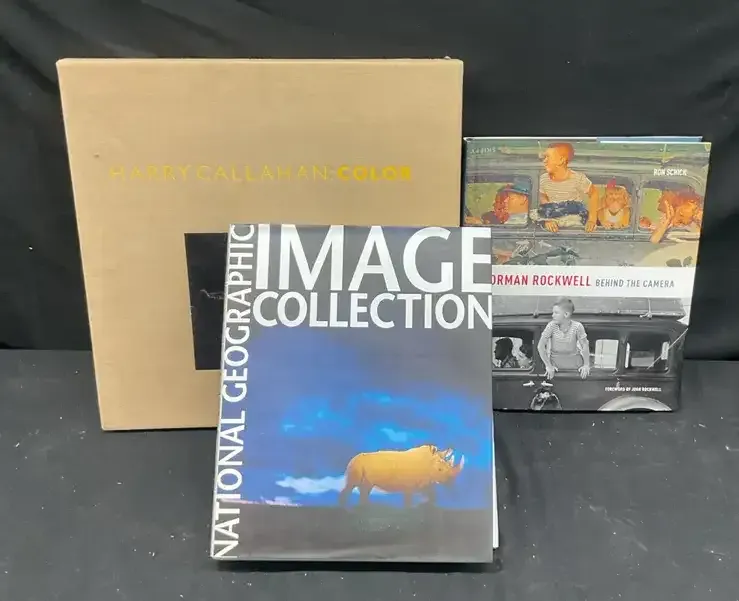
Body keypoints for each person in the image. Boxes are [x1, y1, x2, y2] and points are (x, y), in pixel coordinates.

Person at [538, 142, 600, 233]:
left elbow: (594, 193)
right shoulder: (543, 179)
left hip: (575, 225)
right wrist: (548, 219)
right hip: (554, 225)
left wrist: (592, 220)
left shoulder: (578, 178)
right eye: (544, 157)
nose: (544, 161)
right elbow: (543, 197)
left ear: (561, 160)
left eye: (548, 157)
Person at [537, 297, 591, 380]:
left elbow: (585, 345)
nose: (552, 315)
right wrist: (548, 366)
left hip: (575, 368)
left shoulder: (577, 326)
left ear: (566, 314)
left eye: (556, 313)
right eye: (553, 312)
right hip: (556, 369)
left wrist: (586, 365)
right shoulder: (551, 326)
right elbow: (540, 346)